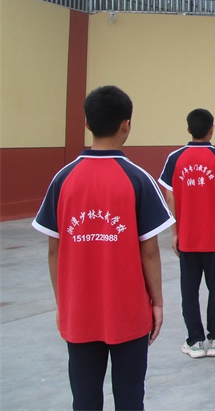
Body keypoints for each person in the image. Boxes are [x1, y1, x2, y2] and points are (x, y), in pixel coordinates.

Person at [32, 85, 173, 411]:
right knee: (130, 396)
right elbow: (149, 252)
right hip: (129, 313)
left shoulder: (63, 179)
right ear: (127, 124)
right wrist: (157, 303)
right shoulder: (138, 179)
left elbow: (54, 251)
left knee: (84, 398)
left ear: (87, 123)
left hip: (79, 312)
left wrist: (63, 304)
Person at [159, 109, 215, 359]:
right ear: (212, 130)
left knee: (189, 290)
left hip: (187, 239)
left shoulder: (175, 158)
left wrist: (175, 234)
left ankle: (194, 341)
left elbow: (170, 197)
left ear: (188, 130)